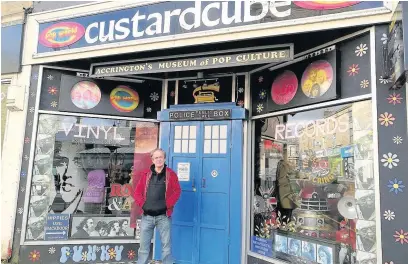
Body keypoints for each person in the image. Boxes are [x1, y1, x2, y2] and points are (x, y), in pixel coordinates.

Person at [134, 148, 181, 264]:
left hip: (163, 216)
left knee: (166, 247)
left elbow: (177, 191)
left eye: (160, 157)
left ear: (164, 158)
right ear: (152, 159)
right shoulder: (146, 175)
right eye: (156, 157)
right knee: (143, 247)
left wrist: (167, 205)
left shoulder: (171, 174)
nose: (158, 159)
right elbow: (137, 193)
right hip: (147, 217)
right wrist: (143, 205)